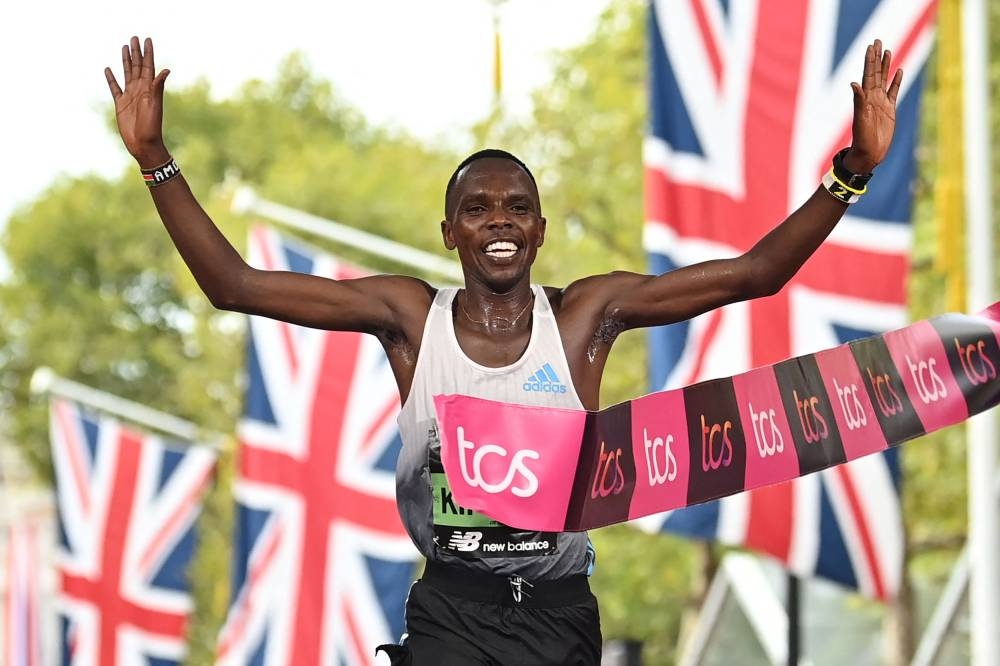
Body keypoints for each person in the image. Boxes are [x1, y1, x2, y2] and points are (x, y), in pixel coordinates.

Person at [106, 36, 903, 665]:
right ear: (448, 231)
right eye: (478, 208)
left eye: (517, 208)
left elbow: (756, 275)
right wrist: (155, 160)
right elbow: (235, 286)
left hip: (558, 616)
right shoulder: (410, 318)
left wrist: (853, 170)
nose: (499, 220)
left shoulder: (587, 316)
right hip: (452, 612)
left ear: (540, 231)